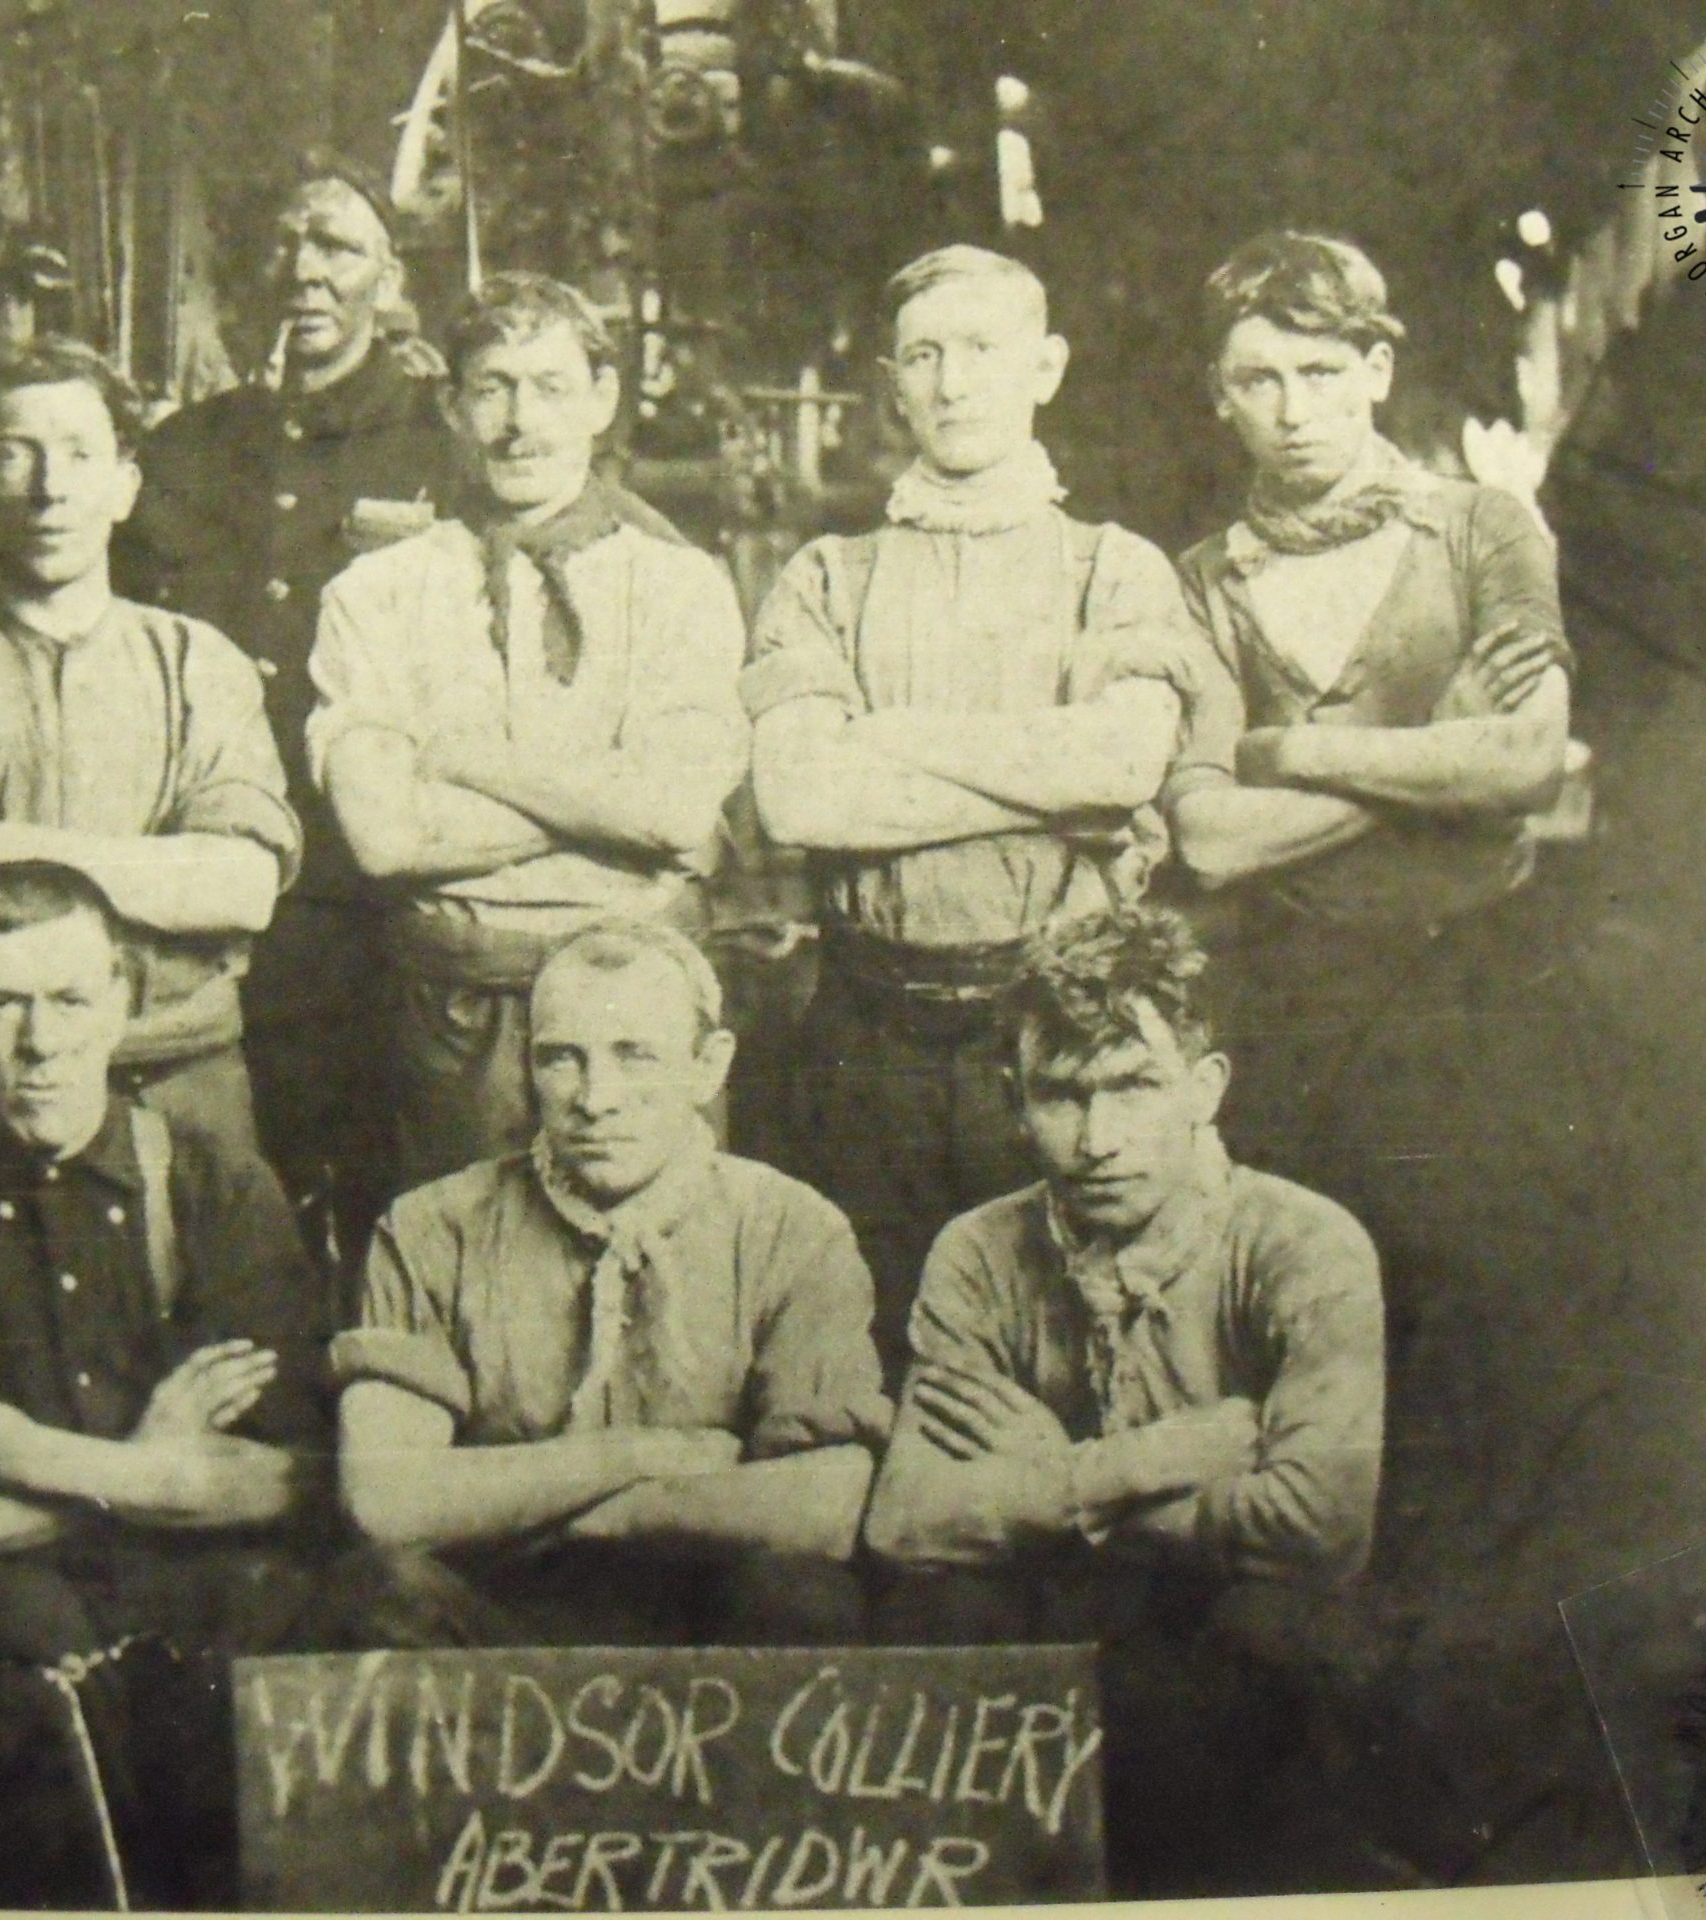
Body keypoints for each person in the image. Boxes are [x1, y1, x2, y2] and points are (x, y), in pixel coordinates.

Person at [742, 243, 1221, 1369]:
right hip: (867, 1033)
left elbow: (1118, 765)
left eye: (982, 351)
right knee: (875, 1343)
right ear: (890, 383)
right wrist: (1039, 781)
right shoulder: (825, 577)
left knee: (1071, 1336)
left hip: (1061, 1031)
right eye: (924, 356)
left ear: (1045, 367)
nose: (953, 384)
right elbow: (798, 795)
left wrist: (884, 737)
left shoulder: (1115, 568)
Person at [863, 907, 1384, 1890]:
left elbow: (1320, 1527)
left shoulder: (1304, 1242)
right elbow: (904, 1523)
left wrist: (1042, 1487)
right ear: (1016, 1102)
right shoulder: (975, 1251)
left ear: (1205, 1089)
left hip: (1216, 1631)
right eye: (1063, 1095)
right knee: (932, 1615)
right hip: (1050, 1614)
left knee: (1273, 1636)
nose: (1098, 1140)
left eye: (1134, 1088)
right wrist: (1138, 1463)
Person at [0, 861, 331, 1664]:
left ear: (123, 1002)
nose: (40, 1044)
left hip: (202, 1610)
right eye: (0, 1006)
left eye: (70, 1001)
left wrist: (35, 1460)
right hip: (6, 1632)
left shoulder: (217, 1186)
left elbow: (287, 1483)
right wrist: (144, 1475)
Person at [329, 920, 890, 1646]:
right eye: (562, 1058)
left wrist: (614, 1517)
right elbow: (385, 1501)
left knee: (805, 1598)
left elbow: (828, 1504)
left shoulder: (792, 1227)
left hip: (709, 1625)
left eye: (635, 1056)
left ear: (708, 1066)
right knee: (380, 1595)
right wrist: (646, 1455)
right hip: (498, 1624)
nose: (596, 1099)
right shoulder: (432, 1227)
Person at [309, 272, 748, 1188]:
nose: (521, 423)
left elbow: (673, 811)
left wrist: (465, 761)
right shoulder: (376, 593)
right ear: (452, 407)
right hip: (455, 1023)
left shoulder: (680, 586)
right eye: (493, 388)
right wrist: (606, 809)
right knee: (469, 1250)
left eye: (550, 387)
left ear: (602, 398)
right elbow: (385, 838)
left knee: (660, 1251)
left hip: (642, 1007)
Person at [1163, 231, 1572, 1176]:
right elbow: (1212, 840)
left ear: (1378, 371)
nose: (1293, 411)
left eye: (1321, 372)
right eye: (1258, 380)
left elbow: (1528, 764)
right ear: (1219, 394)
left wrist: (1289, 754)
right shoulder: (1204, 581)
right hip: (1292, 1007)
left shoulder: (1482, 528)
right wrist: (1440, 749)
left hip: (1486, 985)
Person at [122, 152, 456, 1274]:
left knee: (376, 1188)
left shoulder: (442, 444)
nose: (306, 272)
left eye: (337, 247)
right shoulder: (185, 448)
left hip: (367, 891)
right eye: (286, 246)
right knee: (220, 1182)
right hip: (211, 873)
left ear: (388, 276)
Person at [0, 339, 300, 1160]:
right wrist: (163, 877)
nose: (50, 487)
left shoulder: (200, 664)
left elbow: (243, 886)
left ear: (125, 486)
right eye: (17, 453)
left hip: (182, 1087)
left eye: (81, 455)